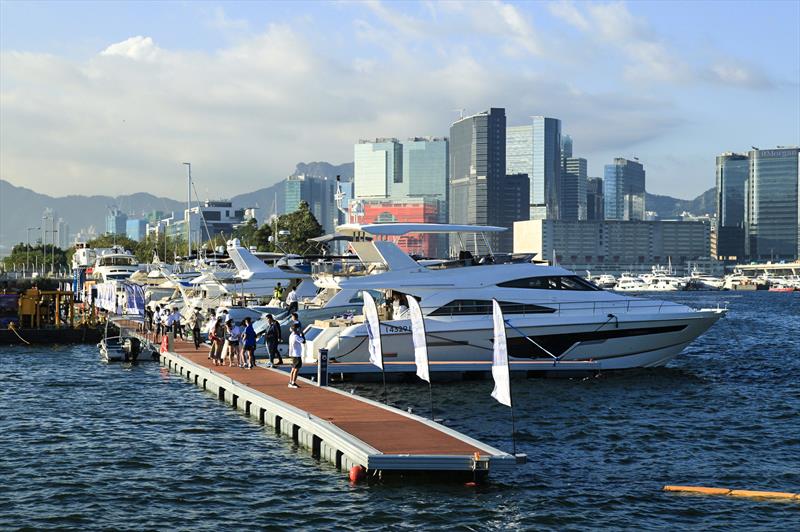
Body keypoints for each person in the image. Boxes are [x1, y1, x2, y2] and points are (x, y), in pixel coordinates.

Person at [287, 323, 304, 388]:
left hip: (292, 354)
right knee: (296, 369)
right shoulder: (296, 336)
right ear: (297, 329)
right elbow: (303, 341)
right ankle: (293, 382)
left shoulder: (291, 335)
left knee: (293, 368)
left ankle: (290, 382)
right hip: (297, 354)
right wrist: (302, 334)